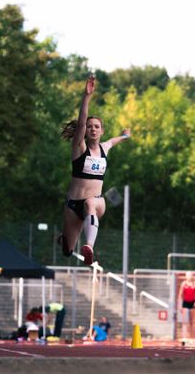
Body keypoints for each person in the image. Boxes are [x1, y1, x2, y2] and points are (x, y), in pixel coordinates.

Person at [58, 75, 131, 265]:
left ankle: (89, 247)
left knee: (90, 203)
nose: (92, 129)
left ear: (102, 131)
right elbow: (81, 122)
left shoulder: (104, 148)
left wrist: (124, 137)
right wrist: (86, 97)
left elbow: (113, 141)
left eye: (97, 127)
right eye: (89, 126)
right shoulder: (79, 148)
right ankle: (65, 240)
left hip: (97, 202)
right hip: (74, 205)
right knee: (67, 251)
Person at [177, 271, 195, 340]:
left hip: (192, 303)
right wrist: (180, 305)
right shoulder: (184, 284)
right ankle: (184, 337)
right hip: (185, 303)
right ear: (186, 276)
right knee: (185, 321)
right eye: (188, 275)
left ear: (192, 276)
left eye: (190, 275)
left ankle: (191, 336)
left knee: (191, 321)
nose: (189, 277)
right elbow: (180, 295)